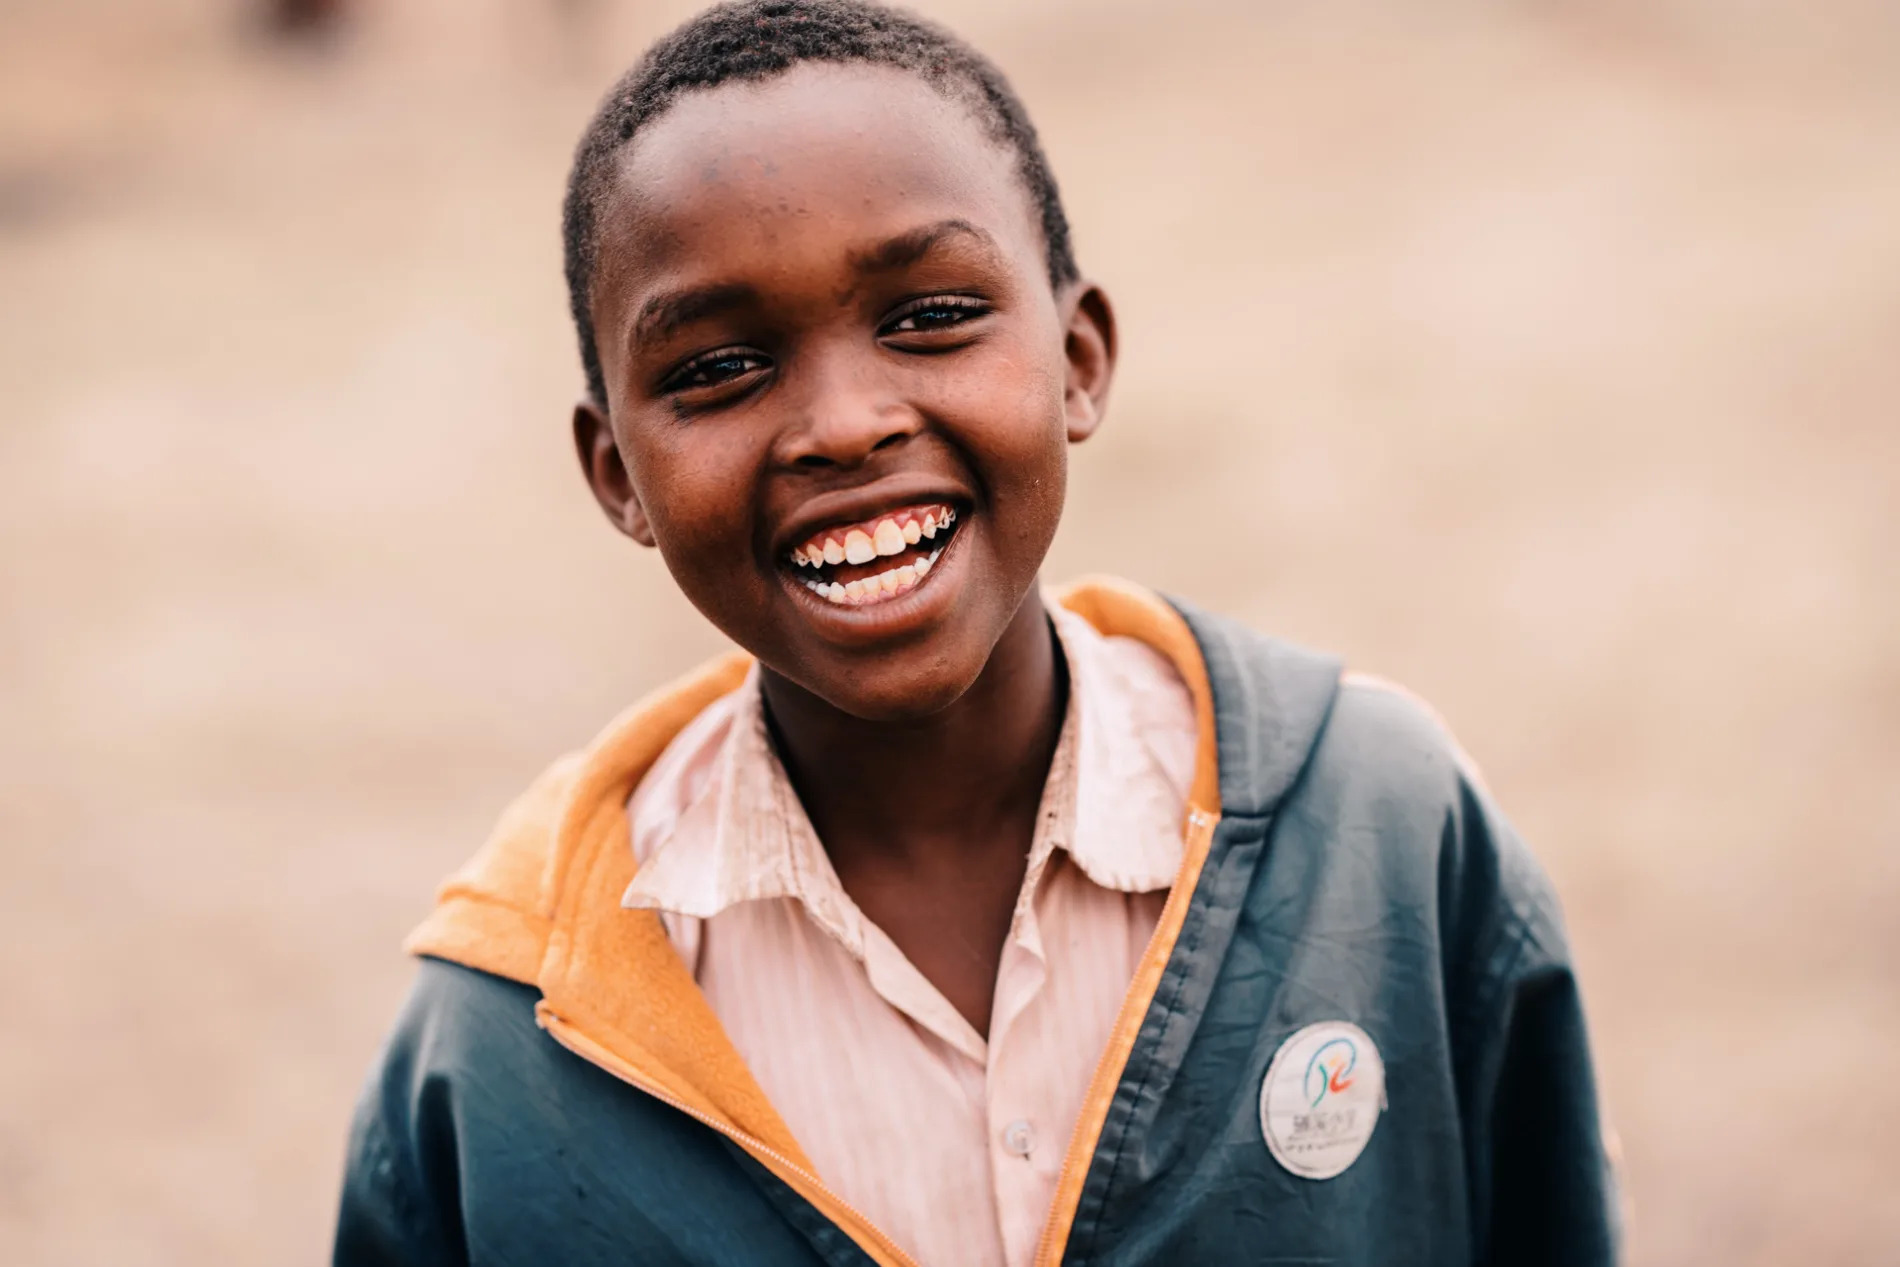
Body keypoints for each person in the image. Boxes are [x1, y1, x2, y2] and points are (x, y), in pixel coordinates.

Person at [331, 3, 1619, 1264]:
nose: (843, 423)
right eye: (720, 368)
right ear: (617, 474)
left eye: (930, 316)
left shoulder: (1378, 838)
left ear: (1079, 360)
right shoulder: (506, 1053)